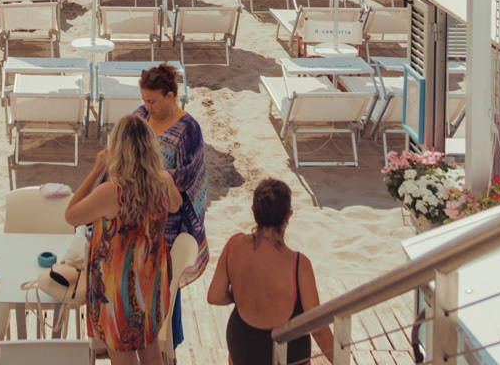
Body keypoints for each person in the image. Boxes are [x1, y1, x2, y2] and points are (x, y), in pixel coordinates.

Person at [66, 116, 182, 365]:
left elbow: (71, 215)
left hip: (117, 291)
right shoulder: (162, 181)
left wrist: (97, 169)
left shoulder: (112, 192)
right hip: (151, 283)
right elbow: (176, 205)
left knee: (123, 357)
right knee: (151, 351)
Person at [208, 178, 334, 365]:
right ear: (289, 216)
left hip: (243, 348)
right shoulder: (298, 264)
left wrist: (243, 293)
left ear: (254, 211)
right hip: (285, 356)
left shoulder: (234, 245)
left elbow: (215, 296)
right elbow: (319, 331)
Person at [136, 65, 209, 349]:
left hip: (167, 224)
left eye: (152, 101)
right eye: (144, 99)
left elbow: (186, 179)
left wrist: (148, 178)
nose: (147, 106)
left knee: (164, 287)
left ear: (170, 96)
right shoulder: (140, 117)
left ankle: (167, 348)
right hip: (136, 219)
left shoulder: (188, 129)